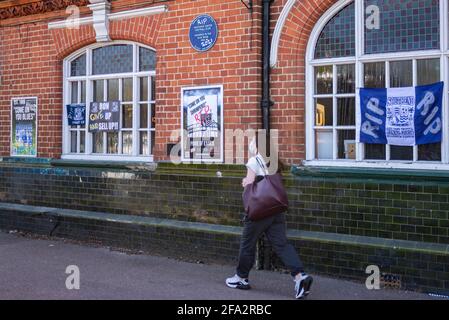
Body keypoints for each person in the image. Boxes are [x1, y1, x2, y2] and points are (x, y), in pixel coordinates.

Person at [225, 137, 313, 299]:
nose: (250, 144)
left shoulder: (254, 160)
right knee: (282, 244)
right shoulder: (273, 161)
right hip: (276, 210)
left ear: (257, 146)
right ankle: (300, 276)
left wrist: (244, 182)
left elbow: (250, 183)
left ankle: (240, 278)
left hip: (259, 211)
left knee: (247, 244)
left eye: (252, 141)